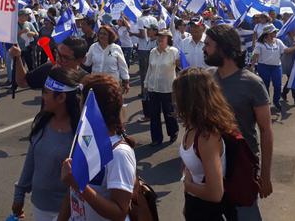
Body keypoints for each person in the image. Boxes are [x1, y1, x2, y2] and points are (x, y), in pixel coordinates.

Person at [204, 24, 273, 220]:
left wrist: (265, 176)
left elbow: (266, 131)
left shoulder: (252, 83)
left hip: (242, 166)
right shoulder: (208, 78)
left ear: (223, 48)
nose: (204, 49)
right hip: (212, 165)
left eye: (208, 44)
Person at [59, 74, 137, 221]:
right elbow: (71, 195)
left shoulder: (119, 153)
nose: (79, 105)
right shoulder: (85, 141)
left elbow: (119, 212)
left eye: (82, 100)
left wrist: (80, 185)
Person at [13, 67, 82, 221]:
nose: (42, 97)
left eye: (46, 92)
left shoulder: (80, 133)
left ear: (61, 98)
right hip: (40, 207)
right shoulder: (41, 122)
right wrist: (19, 194)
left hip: (70, 211)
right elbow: (31, 160)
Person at [174, 68, 237, 221]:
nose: (174, 101)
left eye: (177, 96)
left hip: (210, 213)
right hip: (195, 206)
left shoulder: (206, 138)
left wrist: (188, 186)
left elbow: (215, 193)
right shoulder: (192, 127)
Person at [249, 24, 295, 111]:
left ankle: (276, 101)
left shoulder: (278, 42)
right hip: (264, 67)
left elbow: (286, 51)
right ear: (268, 33)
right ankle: (266, 102)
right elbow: (255, 55)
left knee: (277, 85)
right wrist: (252, 66)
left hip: (276, 67)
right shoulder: (260, 44)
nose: (276, 33)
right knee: (265, 85)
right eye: (274, 32)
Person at [144, 29, 180, 146]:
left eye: (163, 37)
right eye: (159, 36)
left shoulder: (173, 51)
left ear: (168, 39)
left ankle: (173, 132)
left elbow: (180, 67)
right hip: (153, 88)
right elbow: (150, 69)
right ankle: (156, 138)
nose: (160, 39)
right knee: (154, 115)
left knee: (168, 112)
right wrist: (146, 83)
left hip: (168, 88)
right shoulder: (153, 52)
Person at [11, 37, 88, 89]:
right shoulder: (48, 69)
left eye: (65, 57)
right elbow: (23, 82)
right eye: (57, 53)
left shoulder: (86, 81)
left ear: (81, 60)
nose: (58, 59)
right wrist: (18, 58)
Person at [83, 25, 130, 92]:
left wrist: (126, 82)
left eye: (105, 34)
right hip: (96, 83)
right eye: (100, 33)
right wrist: (80, 53)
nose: (102, 36)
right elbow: (87, 63)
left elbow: (123, 66)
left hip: (112, 84)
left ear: (110, 36)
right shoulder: (93, 47)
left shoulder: (116, 48)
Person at [137, 21, 158, 122]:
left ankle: (149, 115)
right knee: (147, 93)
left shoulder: (157, 42)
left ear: (155, 31)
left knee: (150, 94)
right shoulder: (149, 40)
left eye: (149, 30)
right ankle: (148, 115)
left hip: (155, 73)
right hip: (149, 72)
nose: (147, 31)